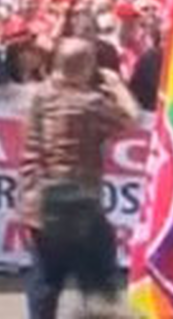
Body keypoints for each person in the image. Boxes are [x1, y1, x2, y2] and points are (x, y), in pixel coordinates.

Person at [18, 38, 140, 319]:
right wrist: (117, 85)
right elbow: (131, 118)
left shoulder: (38, 96)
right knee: (98, 277)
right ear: (87, 67)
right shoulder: (89, 103)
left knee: (46, 276)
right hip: (77, 200)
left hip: (38, 199)